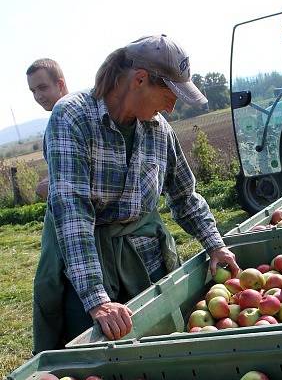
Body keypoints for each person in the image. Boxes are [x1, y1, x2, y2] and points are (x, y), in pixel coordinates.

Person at [32, 34, 240, 354]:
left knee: (159, 344)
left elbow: (185, 196)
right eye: (170, 94)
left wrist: (216, 245)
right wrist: (97, 299)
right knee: (96, 353)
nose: (172, 107)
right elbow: (72, 210)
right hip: (89, 259)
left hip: (144, 255)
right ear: (140, 79)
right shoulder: (73, 117)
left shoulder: (159, 130)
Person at [26, 58, 69, 200]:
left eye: (43, 87)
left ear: (60, 84)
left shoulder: (65, 118)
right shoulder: (59, 118)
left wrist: (51, 186)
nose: (38, 96)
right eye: (33, 91)